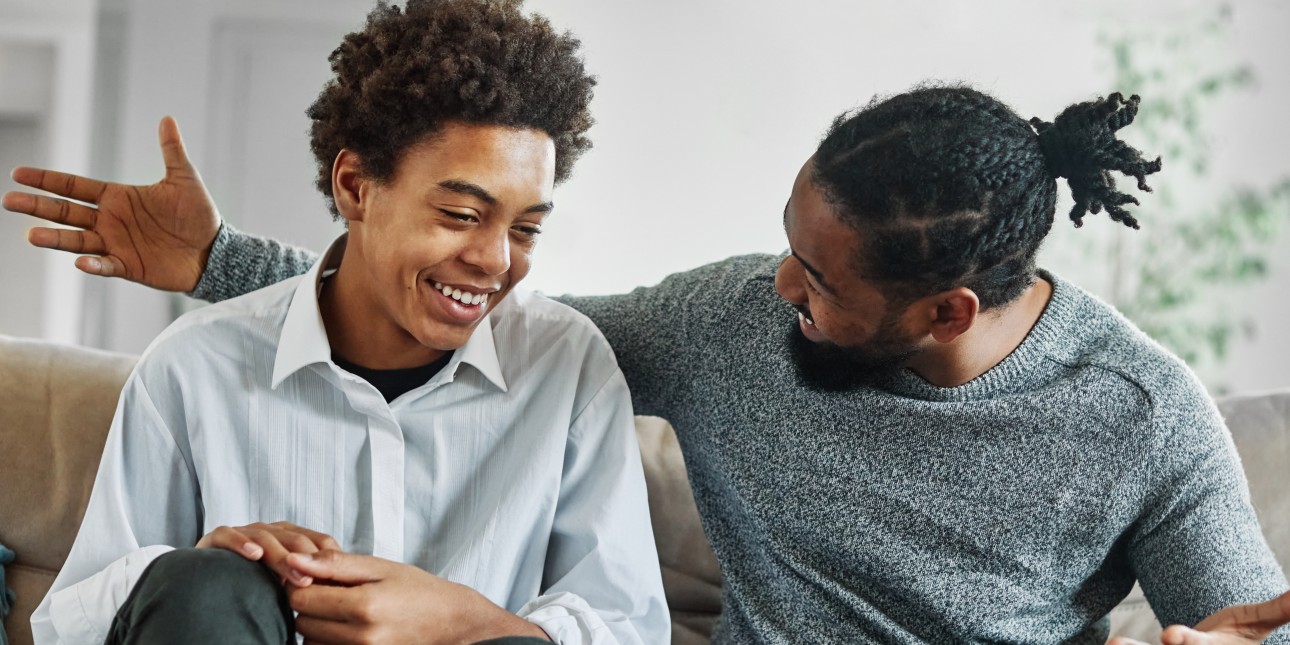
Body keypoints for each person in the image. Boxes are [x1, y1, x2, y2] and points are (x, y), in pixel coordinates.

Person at [7, 80, 1290, 643]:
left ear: (947, 311)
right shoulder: (734, 320)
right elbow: (478, 314)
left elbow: (1243, 621)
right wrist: (220, 260)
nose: (776, 289)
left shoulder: (1144, 416)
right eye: (788, 245)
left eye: (820, 283)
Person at [14, 1, 669, 644]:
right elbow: (70, 622)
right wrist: (191, 566)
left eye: (526, 228)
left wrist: (461, 618)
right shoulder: (195, 364)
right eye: (463, 216)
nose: (496, 260)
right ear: (355, 186)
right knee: (205, 585)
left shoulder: (567, 364)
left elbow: (626, 624)